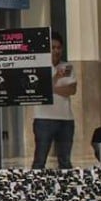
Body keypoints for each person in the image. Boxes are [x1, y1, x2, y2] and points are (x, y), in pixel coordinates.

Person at [31, 32, 77, 169]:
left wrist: (50, 88)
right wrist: (56, 78)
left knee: (65, 161)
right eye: (53, 47)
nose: (56, 51)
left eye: (58, 47)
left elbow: (71, 90)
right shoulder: (40, 67)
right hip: (44, 119)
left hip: (66, 119)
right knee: (40, 160)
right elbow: (39, 89)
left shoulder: (67, 67)